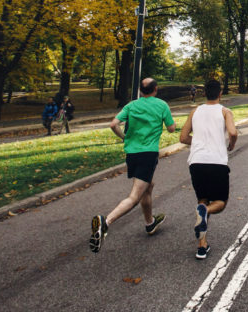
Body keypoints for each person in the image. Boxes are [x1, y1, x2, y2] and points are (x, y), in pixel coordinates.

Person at [89, 78, 176, 253]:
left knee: (148, 187)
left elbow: (113, 124)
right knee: (135, 196)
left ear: (140, 90)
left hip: (132, 153)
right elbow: (172, 129)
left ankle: (149, 223)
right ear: (156, 89)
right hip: (148, 154)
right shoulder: (161, 105)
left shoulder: (131, 105)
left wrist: (124, 137)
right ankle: (105, 223)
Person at [180, 79, 238, 259]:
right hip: (217, 162)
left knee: (202, 200)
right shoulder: (225, 111)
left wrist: (197, 142)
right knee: (219, 203)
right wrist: (231, 145)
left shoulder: (195, 111)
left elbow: (183, 137)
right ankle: (206, 213)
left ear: (204, 93)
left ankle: (202, 246)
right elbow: (233, 132)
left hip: (196, 162)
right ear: (220, 94)